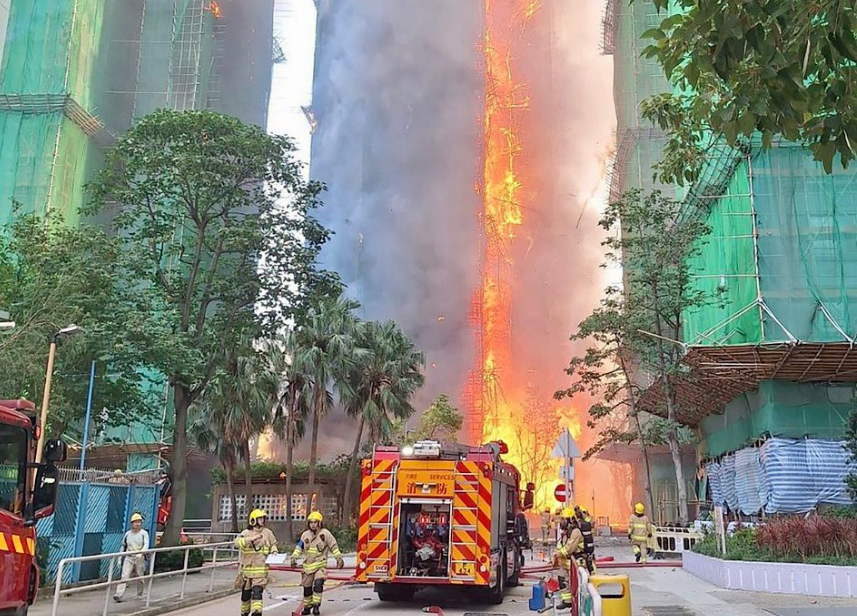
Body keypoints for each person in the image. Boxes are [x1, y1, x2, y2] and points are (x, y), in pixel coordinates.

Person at [291, 511, 343, 616]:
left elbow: (333, 546)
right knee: (307, 588)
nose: (313, 524)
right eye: (311, 522)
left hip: (320, 565)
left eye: (315, 522)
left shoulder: (325, 534)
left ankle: (316, 606)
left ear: (320, 523)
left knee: (318, 584)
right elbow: (299, 547)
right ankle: (307, 607)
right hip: (308, 567)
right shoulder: (305, 535)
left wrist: (339, 559)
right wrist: (293, 558)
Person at [235, 509, 278, 616]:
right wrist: (250, 539)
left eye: (263, 518)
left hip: (261, 571)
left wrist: (274, 551)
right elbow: (236, 543)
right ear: (253, 520)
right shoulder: (246, 533)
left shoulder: (267, 533)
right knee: (246, 596)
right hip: (246, 572)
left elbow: (273, 544)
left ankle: (257, 612)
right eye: (260, 518)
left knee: (257, 592)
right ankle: (244, 613)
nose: (262, 520)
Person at [114, 512, 150, 602]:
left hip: (139, 557)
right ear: (132, 523)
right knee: (124, 576)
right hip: (129, 557)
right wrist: (119, 558)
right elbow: (123, 546)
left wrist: (141, 553)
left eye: (139, 522)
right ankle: (119, 594)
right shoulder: (127, 534)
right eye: (135, 522)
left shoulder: (144, 533)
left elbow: (146, 544)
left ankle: (139, 593)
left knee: (140, 576)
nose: (137, 524)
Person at [577, 508, 596, 573]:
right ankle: (592, 573)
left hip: (583, 547)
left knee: (585, 562)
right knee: (589, 561)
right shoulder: (587, 523)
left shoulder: (579, 524)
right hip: (589, 546)